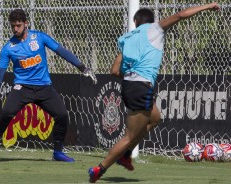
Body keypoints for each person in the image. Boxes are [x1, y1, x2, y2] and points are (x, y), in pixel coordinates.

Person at [88, 2, 220, 182]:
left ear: (135, 21)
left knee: (155, 118)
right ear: (151, 21)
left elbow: (114, 71)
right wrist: (207, 6)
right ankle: (99, 169)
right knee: (129, 136)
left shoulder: (126, 38)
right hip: (141, 87)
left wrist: (133, 73)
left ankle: (125, 156)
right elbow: (181, 15)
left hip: (128, 86)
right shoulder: (154, 29)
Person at [0, 9, 97, 162]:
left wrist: (82, 67)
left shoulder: (39, 37)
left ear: (26, 23)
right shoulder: (9, 48)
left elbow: (61, 51)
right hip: (22, 88)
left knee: (62, 115)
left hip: (44, 87)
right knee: (6, 113)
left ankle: (58, 152)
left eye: (18, 25)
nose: (15, 29)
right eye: (13, 26)